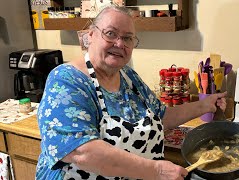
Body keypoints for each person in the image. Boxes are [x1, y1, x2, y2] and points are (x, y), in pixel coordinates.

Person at [36, 5, 227, 180]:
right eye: (110, 33)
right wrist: (157, 171)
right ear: (91, 35)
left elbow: (162, 116)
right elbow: (81, 150)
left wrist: (204, 105)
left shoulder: (128, 76)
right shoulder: (66, 80)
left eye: (127, 38)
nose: (120, 44)